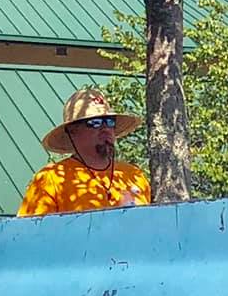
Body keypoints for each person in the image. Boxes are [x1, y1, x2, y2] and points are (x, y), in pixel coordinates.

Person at [17, 88, 151, 217]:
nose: (105, 129)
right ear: (72, 131)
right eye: (95, 122)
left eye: (110, 122)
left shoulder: (134, 175)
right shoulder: (50, 179)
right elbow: (29, 230)